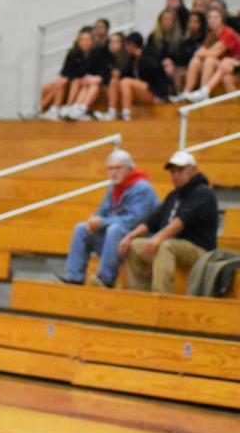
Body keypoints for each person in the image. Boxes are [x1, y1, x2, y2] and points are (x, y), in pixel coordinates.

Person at [56, 149, 160, 287]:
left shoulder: (142, 188)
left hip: (141, 238)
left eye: (118, 168)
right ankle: (74, 276)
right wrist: (93, 220)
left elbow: (134, 220)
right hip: (117, 239)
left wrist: (102, 222)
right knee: (81, 228)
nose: (114, 172)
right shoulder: (113, 188)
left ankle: (106, 279)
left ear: (130, 169)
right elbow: (102, 212)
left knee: (114, 229)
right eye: (110, 169)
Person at [119, 151, 218, 293]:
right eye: (172, 172)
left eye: (180, 170)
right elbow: (152, 220)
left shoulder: (203, 193)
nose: (175, 175)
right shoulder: (173, 195)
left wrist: (158, 237)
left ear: (193, 170)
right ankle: (141, 294)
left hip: (200, 250)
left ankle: (161, 296)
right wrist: (129, 236)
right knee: (133, 246)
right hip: (173, 244)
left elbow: (182, 220)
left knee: (165, 246)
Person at [94, 32, 172, 121]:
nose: (126, 48)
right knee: (114, 81)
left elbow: (156, 79)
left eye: (127, 45)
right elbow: (125, 74)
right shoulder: (132, 58)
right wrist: (118, 74)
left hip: (155, 93)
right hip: (142, 89)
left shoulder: (149, 57)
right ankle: (111, 112)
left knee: (126, 82)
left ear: (132, 45)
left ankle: (126, 113)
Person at [178, 7, 240, 102]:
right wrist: (206, 53)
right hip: (226, 66)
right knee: (196, 61)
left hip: (234, 65)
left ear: (222, 20)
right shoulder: (211, 34)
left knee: (211, 61)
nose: (212, 20)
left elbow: (214, 53)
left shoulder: (228, 32)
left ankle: (204, 91)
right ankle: (187, 92)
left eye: (216, 17)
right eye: (210, 17)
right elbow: (198, 53)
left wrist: (206, 53)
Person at [38, 26, 96, 121]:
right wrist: (62, 78)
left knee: (71, 81)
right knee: (57, 84)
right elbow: (65, 70)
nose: (85, 42)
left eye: (87, 39)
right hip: (72, 79)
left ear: (92, 41)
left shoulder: (95, 53)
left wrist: (67, 78)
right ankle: (52, 110)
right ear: (78, 41)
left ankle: (65, 108)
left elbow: (82, 72)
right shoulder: (73, 52)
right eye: (82, 39)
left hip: (80, 80)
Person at [172, 12, 206, 93]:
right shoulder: (185, 42)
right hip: (188, 68)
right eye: (190, 21)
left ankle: (187, 93)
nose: (192, 24)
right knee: (177, 72)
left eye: (196, 21)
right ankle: (180, 96)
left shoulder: (206, 39)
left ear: (201, 23)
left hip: (202, 69)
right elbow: (181, 62)